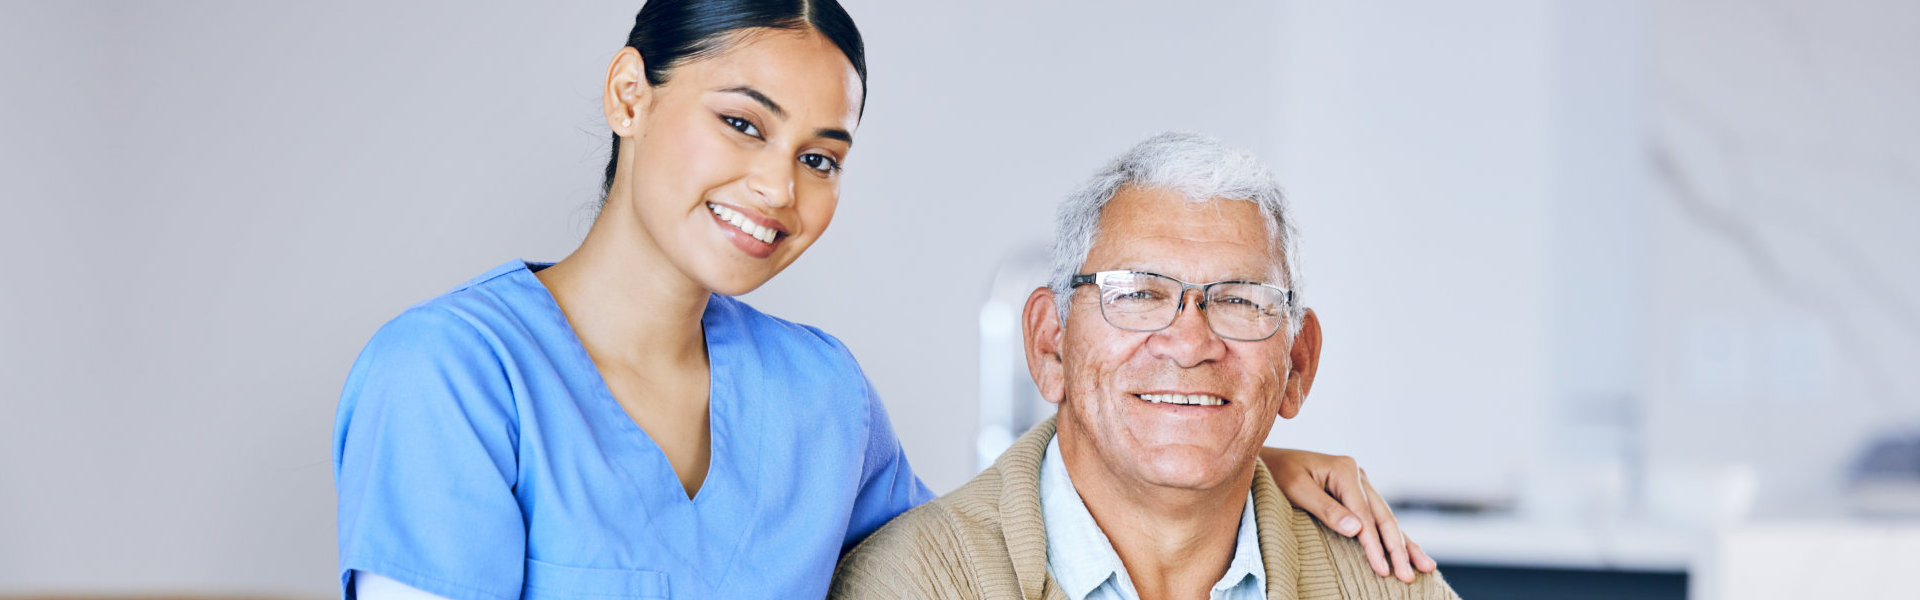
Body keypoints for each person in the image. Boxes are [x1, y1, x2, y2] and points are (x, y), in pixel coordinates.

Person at [333, 2, 1431, 599]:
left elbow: (989, 548)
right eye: (742, 123)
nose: (777, 186)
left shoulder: (817, 393)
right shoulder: (450, 378)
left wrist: (1216, 456)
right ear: (631, 92)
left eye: (822, 157)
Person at [829, 133, 1459, 600]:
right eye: (1137, 294)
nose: (1189, 344)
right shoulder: (918, 582)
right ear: (1051, 346)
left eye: (1240, 300)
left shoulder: (1385, 582)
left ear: (1297, 365)